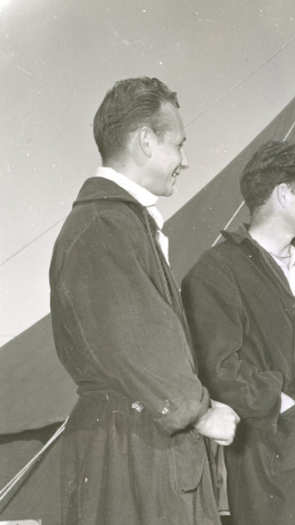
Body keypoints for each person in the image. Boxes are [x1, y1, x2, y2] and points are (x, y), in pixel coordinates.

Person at [49, 77, 238, 525]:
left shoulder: (119, 222)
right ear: (146, 141)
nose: (185, 161)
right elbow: (135, 341)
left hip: (137, 441)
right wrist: (199, 412)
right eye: (179, 145)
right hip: (131, 450)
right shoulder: (104, 227)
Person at [181, 140, 295, 525]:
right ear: (284, 194)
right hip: (271, 452)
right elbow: (218, 369)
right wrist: (283, 404)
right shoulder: (216, 272)